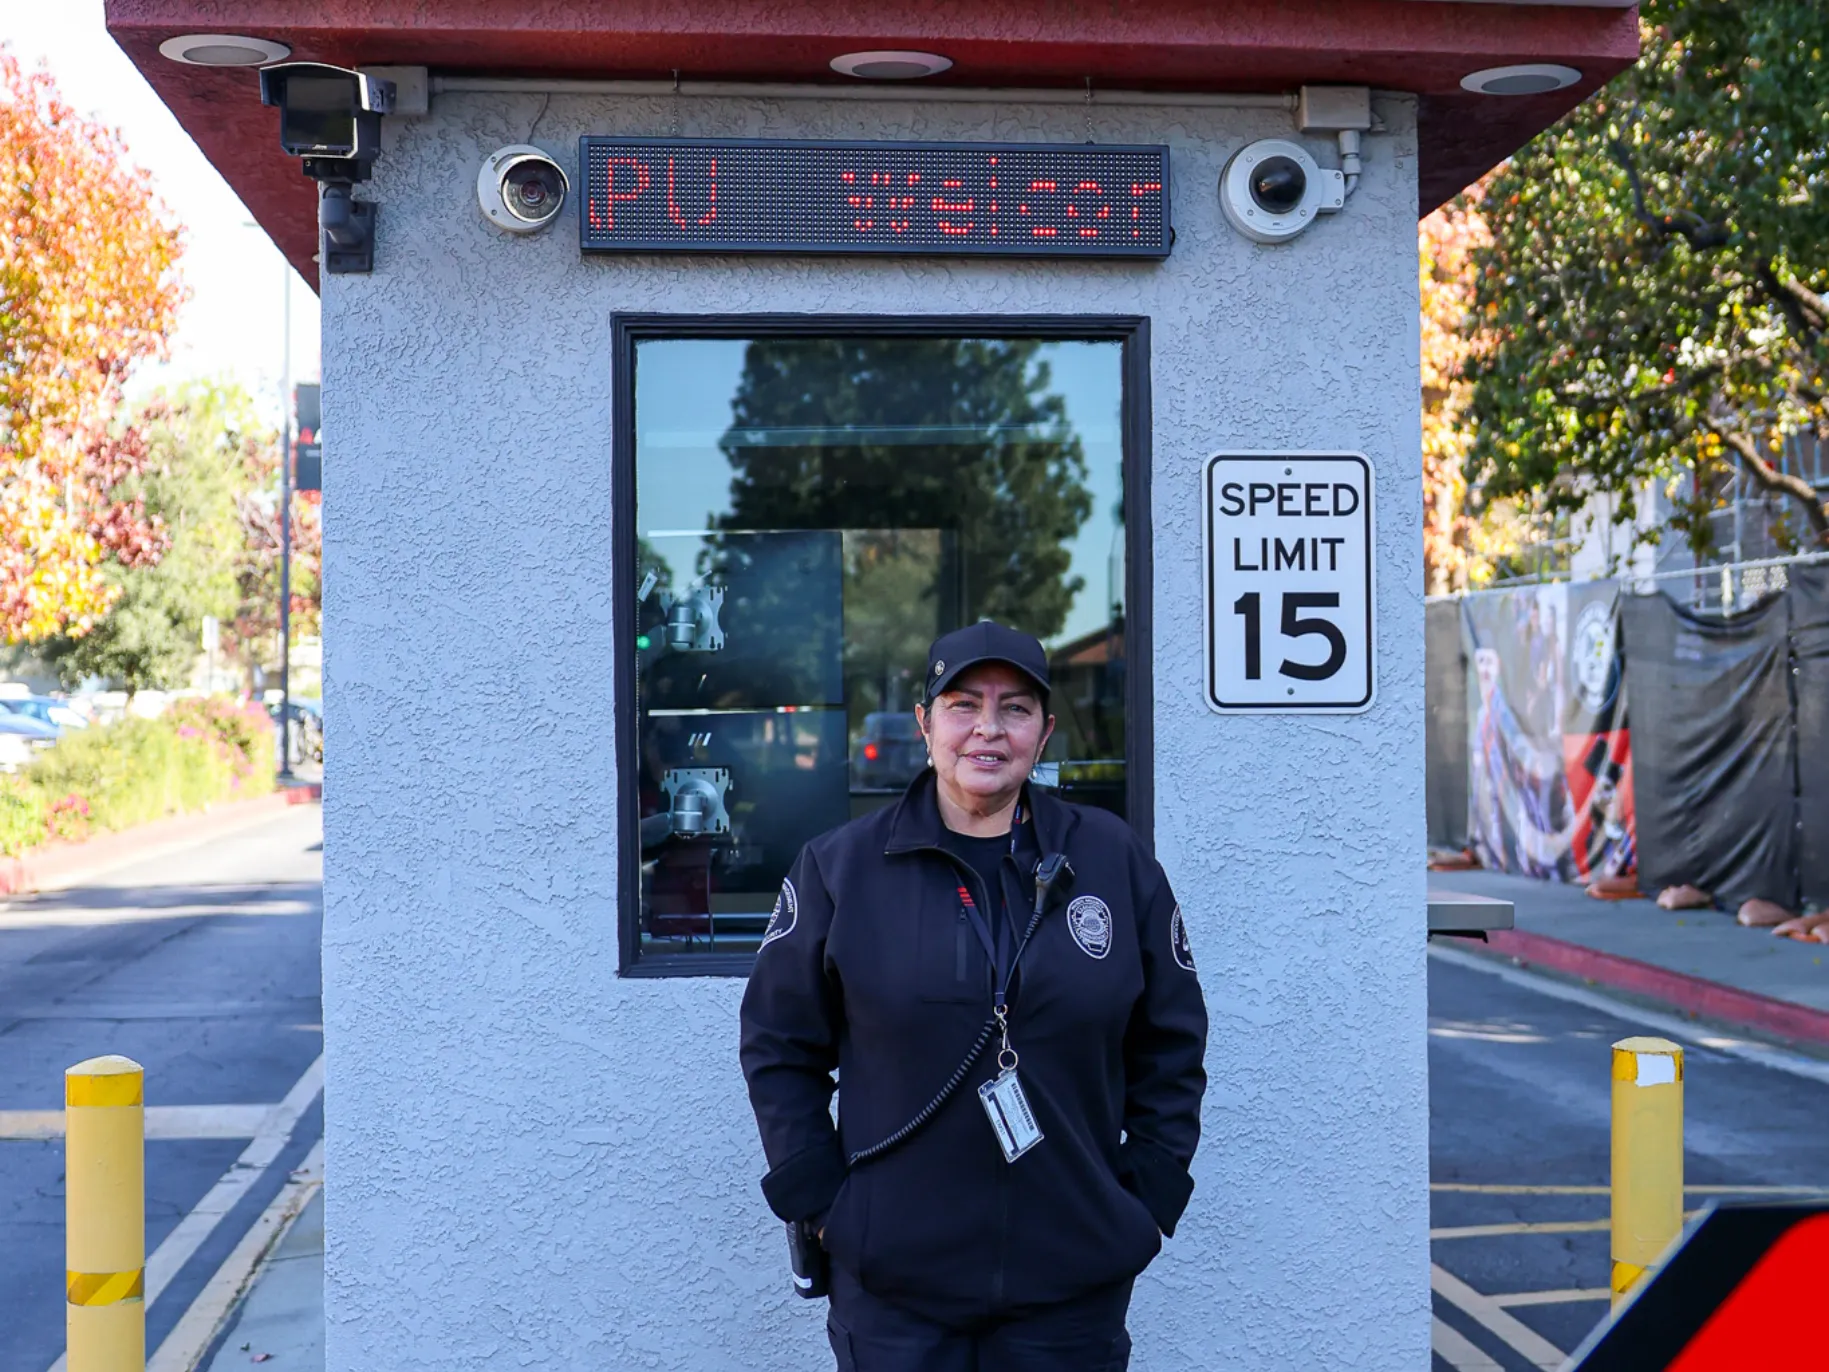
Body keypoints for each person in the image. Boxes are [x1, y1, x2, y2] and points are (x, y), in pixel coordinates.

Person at [740, 620, 1208, 1372]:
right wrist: (824, 1206)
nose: (987, 729)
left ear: (1044, 731)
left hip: (1071, 1285)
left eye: (1014, 708)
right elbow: (776, 1044)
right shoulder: (841, 869)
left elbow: (1171, 1039)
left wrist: (1144, 1199)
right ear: (925, 723)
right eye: (963, 704)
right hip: (894, 1289)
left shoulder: (1110, 860)